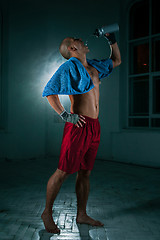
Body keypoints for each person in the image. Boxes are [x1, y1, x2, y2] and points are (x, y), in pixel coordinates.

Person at [41, 32, 121, 234]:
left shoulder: (94, 66)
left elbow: (116, 60)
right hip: (78, 126)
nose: (81, 40)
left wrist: (112, 39)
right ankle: (47, 213)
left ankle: (82, 214)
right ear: (72, 48)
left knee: (85, 172)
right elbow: (49, 91)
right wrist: (65, 115)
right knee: (63, 172)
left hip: (94, 126)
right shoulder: (69, 67)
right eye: (76, 39)